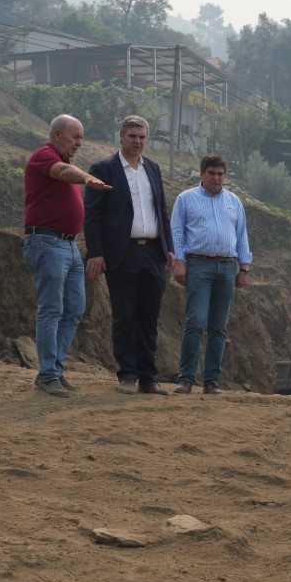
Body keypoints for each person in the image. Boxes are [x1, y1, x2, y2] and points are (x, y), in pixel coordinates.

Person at [84, 115, 174, 395]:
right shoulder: (104, 168)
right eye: (132, 136)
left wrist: (169, 247)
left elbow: (162, 211)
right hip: (123, 254)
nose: (138, 141)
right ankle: (127, 375)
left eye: (142, 137)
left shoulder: (153, 169)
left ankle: (149, 377)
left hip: (154, 253)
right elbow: (92, 215)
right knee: (125, 316)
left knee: (149, 317)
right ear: (121, 137)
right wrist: (96, 252)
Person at [23, 114, 111, 397]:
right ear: (57, 135)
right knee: (52, 309)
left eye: (82, 137)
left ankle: (55, 371)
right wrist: (86, 177)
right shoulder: (44, 156)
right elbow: (61, 172)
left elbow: (66, 171)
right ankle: (47, 373)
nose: (80, 143)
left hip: (69, 246)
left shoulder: (66, 162)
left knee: (74, 309)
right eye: (76, 137)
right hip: (47, 243)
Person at [170, 155, 252, 394]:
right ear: (202, 174)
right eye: (211, 173)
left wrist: (244, 268)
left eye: (220, 174)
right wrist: (179, 262)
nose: (216, 178)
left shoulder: (234, 202)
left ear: (225, 176)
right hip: (198, 265)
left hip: (227, 267)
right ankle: (186, 378)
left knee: (219, 326)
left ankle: (211, 381)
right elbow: (176, 232)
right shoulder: (186, 199)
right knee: (195, 321)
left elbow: (242, 235)